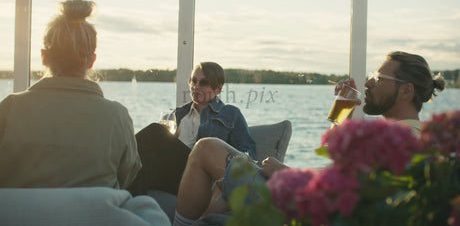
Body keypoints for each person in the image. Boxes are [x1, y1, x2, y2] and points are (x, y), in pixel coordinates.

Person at [172, 50, 445, 226]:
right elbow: (344, 175)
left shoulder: (407, 142)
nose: (368, 83)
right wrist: (343, 109)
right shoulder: (400, 137)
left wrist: (284, 172)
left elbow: (350, 199)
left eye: (378, 77)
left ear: (406, 91)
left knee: (207, 148)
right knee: (213, 170)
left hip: (297, 207)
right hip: (305, 202)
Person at [0, 0, 141, 189]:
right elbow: (127, 176)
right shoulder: (117, 116)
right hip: (95, 216)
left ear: (44, 56)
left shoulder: (9, 109)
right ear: (92, 61)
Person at [127, 62, 256, 196]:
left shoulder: (231, 114)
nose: (196, 87)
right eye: (193, 81)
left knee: (155, 131)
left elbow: (248, 153)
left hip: (202, 175)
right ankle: (128, 201)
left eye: (203, 83)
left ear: (218, 88)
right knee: (147, 159)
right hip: (174, 175)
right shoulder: (179, 113)